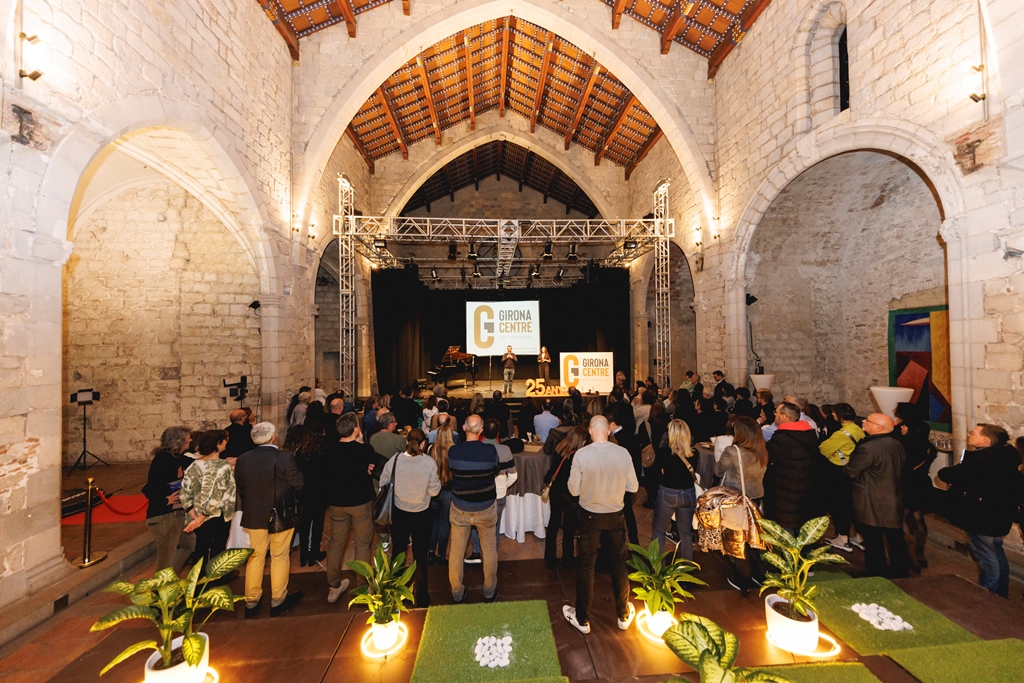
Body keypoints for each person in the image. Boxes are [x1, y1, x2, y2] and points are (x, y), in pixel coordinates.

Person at [562, 415, 639, 635]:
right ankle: (623, 614)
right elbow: (633, 487)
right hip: (615, 515)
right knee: (618, 563)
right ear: (607, 431)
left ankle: (582, 619)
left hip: (589, 517)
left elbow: (574, 491)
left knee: (587, 565)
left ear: (589, 431)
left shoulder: (581, 455)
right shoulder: (622, 453)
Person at [938, 423, 1021, 597]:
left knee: (986, 556)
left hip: (984, 515)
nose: (969, 435)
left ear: (985, 440)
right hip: (997, 513)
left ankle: (988, 594)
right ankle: (1000, 592)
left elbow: (950, 474)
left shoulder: (983, 460)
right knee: (995, 552)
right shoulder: (1005, 456)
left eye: (973, 433)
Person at [234, 422, 304, 618]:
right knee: (279, 555)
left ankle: (251, 600)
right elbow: (298, 483)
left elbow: (241, 486)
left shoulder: (243, 459)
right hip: (279, 513)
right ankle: (278, 598)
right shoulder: (284, 457)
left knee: (255, 557)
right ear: (273, 437)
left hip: (253, 513)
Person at [447, 415, 514, 603]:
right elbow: (495, 471)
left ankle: (457, 593)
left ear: (463, 427)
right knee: (489, 550)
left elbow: (453, 471)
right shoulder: (490, 451)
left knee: (456, 552)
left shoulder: (453, 452)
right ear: (481, 430)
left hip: (460, 508)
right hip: (485, 507)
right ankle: (489, 591)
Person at [379, 428, 441, 607]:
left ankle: (396, 592)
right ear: (423, 444)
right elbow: (434, 491)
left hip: (399, 513)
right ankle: (421, 597)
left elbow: (383, 482)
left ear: (407, 442)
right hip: (422, 514)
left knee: (398, 552)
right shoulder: (429, 463)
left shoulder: (395, 460)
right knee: (420, 556)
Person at [323, 412, 378, 604]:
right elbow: (373, 463)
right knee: (363, 544)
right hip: (360, 502)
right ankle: (363, 583)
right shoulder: (364, 450)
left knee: (337, 543)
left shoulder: (328, 450)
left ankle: (334, 585)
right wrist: (361, 442)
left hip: (337, 503)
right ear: (356, 430)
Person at [845, 413, 910, 579]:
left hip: (871, 498)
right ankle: (900, 570)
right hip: (893, 496)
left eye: (868, 420)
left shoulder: (868, 448)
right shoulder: (897, 443)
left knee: (872, 538)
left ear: (879, 427)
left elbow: (851, 471)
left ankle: (875, 572)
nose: (864, 422)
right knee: (895, 537)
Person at [715, 416, 768, 591]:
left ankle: (742, 577)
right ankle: (760, 575)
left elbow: (718, 470)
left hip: (738, 499)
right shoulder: (762, 450)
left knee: (738, 539)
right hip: (756, 498)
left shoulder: (733, 451)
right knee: (752, 538)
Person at [143, 426, 197, 574]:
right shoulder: (163, 460)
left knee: (189, 544)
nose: (190, 440)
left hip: (174, 514)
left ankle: (169, 579)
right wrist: (166, 498)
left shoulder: (176, 457)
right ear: (179, 442)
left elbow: (199, 463)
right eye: (188, 439)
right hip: (164, 516)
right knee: (166, 557)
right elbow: (150, 489)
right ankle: (160, 589)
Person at [181, 430, 236, 568]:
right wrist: (202, 517)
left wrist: (194, 516)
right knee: (218, 550)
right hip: (217, 514)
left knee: (201, 549)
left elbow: (184, 493)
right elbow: (217, 496)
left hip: (198, 515)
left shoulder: (194, 464)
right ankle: (215, 583)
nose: (226, 443)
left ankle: (198, 584)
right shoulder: (223, 466)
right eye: (224, 440)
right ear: (218, 444)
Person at [762, 403, 818, 535]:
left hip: (785, 487)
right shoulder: (808, 433)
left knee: (785, 524)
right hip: (804, 485)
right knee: (799, 521)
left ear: (784, 416)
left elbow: (767, 457)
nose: (774, 414)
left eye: (776, 412)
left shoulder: (784, 438)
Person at [893, 402, 936, 571]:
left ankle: (911, 558)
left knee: (904, 518)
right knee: (919, 517)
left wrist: (903, 435)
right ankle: (921, 554)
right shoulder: (926, 444)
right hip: (921, 481)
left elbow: (903, 457)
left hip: (906, 481)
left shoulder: (904, 436)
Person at [467, 418, 518, 561]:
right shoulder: (505, 450)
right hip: (499, 494)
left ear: (482, 431)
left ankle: (476, 552)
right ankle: (492, 554)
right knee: (494, 525)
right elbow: (513, 475)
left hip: (480, 492)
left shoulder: (476, 448)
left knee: (476, 524)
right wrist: (503, 485)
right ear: (498, 433)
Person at [818, 403, 866, 552]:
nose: (832, 416)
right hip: (853, 469)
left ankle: (842, 537)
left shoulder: (842, 434)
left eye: (833, 414)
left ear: (839, 416)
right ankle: (859, 537)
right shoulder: (858, 430)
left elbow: (824, 449)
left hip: (838, 471)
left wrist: (833, 452)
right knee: (852, 505)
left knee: (838, 505)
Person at [651, 419, 699, 558]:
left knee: (659, 530)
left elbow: (656, 472)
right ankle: (686, 568)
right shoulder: (694, 454)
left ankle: (658, 567)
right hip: (689, 494)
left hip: (668, 493)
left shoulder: (664, 452)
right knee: (685, 533)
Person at [284, 424, 328, 567]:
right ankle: (314, 552)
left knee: (304, 524)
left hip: (302, 493)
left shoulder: (292, 454)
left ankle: (304, 555)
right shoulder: (315, 450)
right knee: (317, 523)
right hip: (319, 491)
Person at [544, 426, 587, 569]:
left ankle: (549, 557)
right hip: (570, 494)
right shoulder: (578, 456)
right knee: (569, 526)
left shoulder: (560, 448)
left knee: (554, 522)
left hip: (555, 490)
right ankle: (567, 558)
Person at [428, 423, 456, 565]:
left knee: (434, 522)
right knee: (445, 523)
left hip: (433, 491)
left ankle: (431, 552)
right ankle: (441, 554)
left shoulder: (431, 449)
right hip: (448, 492)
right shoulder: (454, 451)